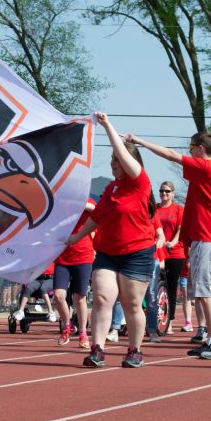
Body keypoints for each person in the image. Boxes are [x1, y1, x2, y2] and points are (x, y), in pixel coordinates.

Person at [127, 130, 211, 358]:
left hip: (210, 237)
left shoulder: (209, 167)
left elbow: (171, 155)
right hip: (202, 238)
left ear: (200, 148)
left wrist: (140, 141)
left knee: (204, 290)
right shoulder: (201, 172)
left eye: (192, 148)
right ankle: (210, 339)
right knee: (200, 291)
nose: (189, 152)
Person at [66, 113, 155, 368]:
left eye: (117, 160)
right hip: (107, 252)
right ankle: (98, 349)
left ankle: (135, 350)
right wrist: (77, 237)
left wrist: (107, 126)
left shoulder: (140, 183)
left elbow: (125, 155)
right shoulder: (111, 189)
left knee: (131, 302)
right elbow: (98, 217)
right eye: (112, 160)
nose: (113, 164)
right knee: (103, 298)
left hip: (137, 252)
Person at [53, 198, 96, 349]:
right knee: (58, 296)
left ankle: (83, 332)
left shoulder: (86, 200)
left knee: (79, 298)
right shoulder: (59, 202)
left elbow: (96, 212)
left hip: (83, 256)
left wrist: (80, 204)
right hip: (62, 257)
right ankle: (67, 326)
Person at [149, 181, 189, 339]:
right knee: (155, 287)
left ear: (173, 193)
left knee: (171, 288)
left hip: (175, 253)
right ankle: (154, 321)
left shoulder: (179, 209)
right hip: (158, 252)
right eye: (161, 191)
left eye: (167, 191)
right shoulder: (155, 209)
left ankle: (169, 321)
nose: (164, 194)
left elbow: (180, 229)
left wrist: (172, 242)